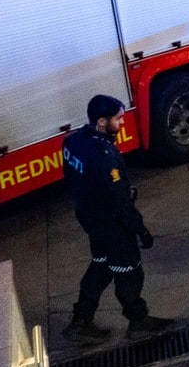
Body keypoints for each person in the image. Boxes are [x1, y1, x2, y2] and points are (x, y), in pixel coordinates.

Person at [62, 95, 174, 344]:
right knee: (129, 271)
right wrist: (140, 230)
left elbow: (71, 180)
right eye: (118, 118)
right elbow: (120, 200)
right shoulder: (104, 155)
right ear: (102, 122)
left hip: (90, 218)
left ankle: (80, 322)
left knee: (101, 265)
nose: (123, 122)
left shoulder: (72, 141)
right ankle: (138, 320)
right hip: (111, 224)